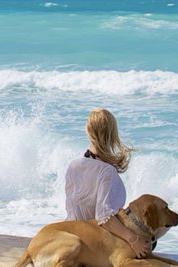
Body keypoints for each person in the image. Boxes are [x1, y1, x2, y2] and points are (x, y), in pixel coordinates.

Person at [64, 108, 152, 258]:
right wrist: (133, 240)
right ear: (112, 133)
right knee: (150, 238)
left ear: (88, 131)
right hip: (95, 242)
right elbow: (104, 217)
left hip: (72, 233)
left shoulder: (74, 165)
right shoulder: (106, 171)